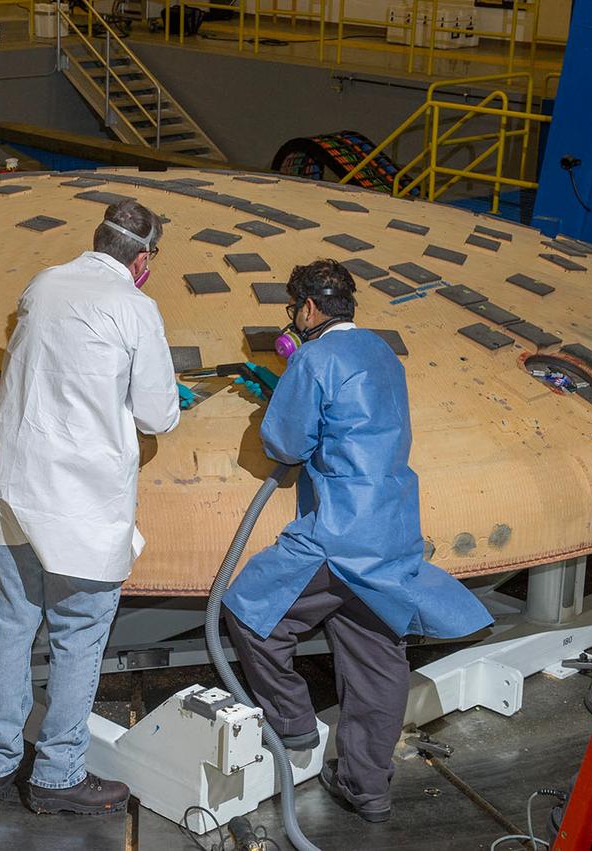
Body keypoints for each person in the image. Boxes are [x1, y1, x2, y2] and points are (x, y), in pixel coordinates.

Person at [222, 259, 493, 823]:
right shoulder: (380, 352)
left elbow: (285, 444)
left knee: (251, 612)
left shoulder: (316, 357)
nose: (294, 318)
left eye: (295, 308)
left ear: (310, 309)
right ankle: (368, 790)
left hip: (337, 535)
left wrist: (289, 387)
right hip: (390, 531)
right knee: (374, 658)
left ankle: (294, 729)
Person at [0, 200, 180, 815]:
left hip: (8, 492)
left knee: (7, 634)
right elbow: (157, 414)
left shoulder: (43, 282)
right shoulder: (136, 307)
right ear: (141, 260)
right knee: (77, 640)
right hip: (79, 507)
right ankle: (58, 776)